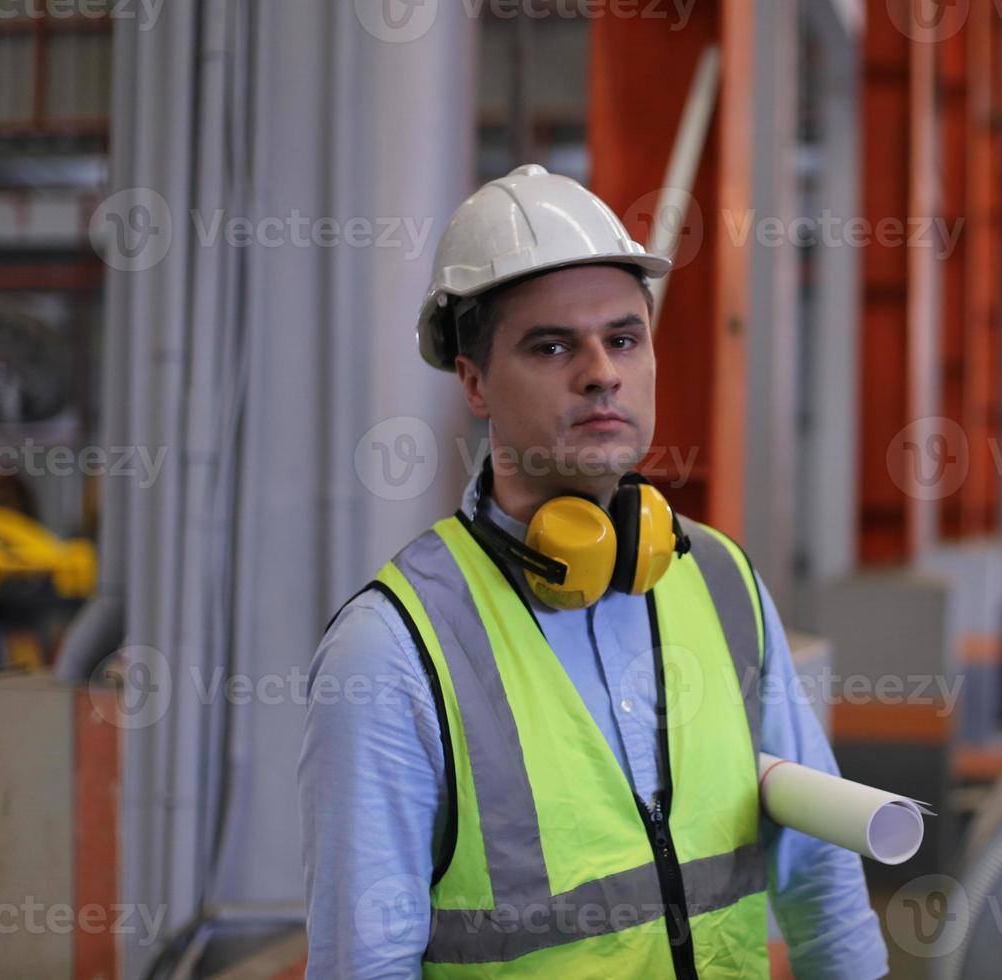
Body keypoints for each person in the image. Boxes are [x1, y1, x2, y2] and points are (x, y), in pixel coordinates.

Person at [299, 164, 889, 978]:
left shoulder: (718, 581)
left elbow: (821, 875)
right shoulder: (395, 649)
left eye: (622, 338)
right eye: (551, 346)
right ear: (473, 382)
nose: (601, 372)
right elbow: (364, 964)